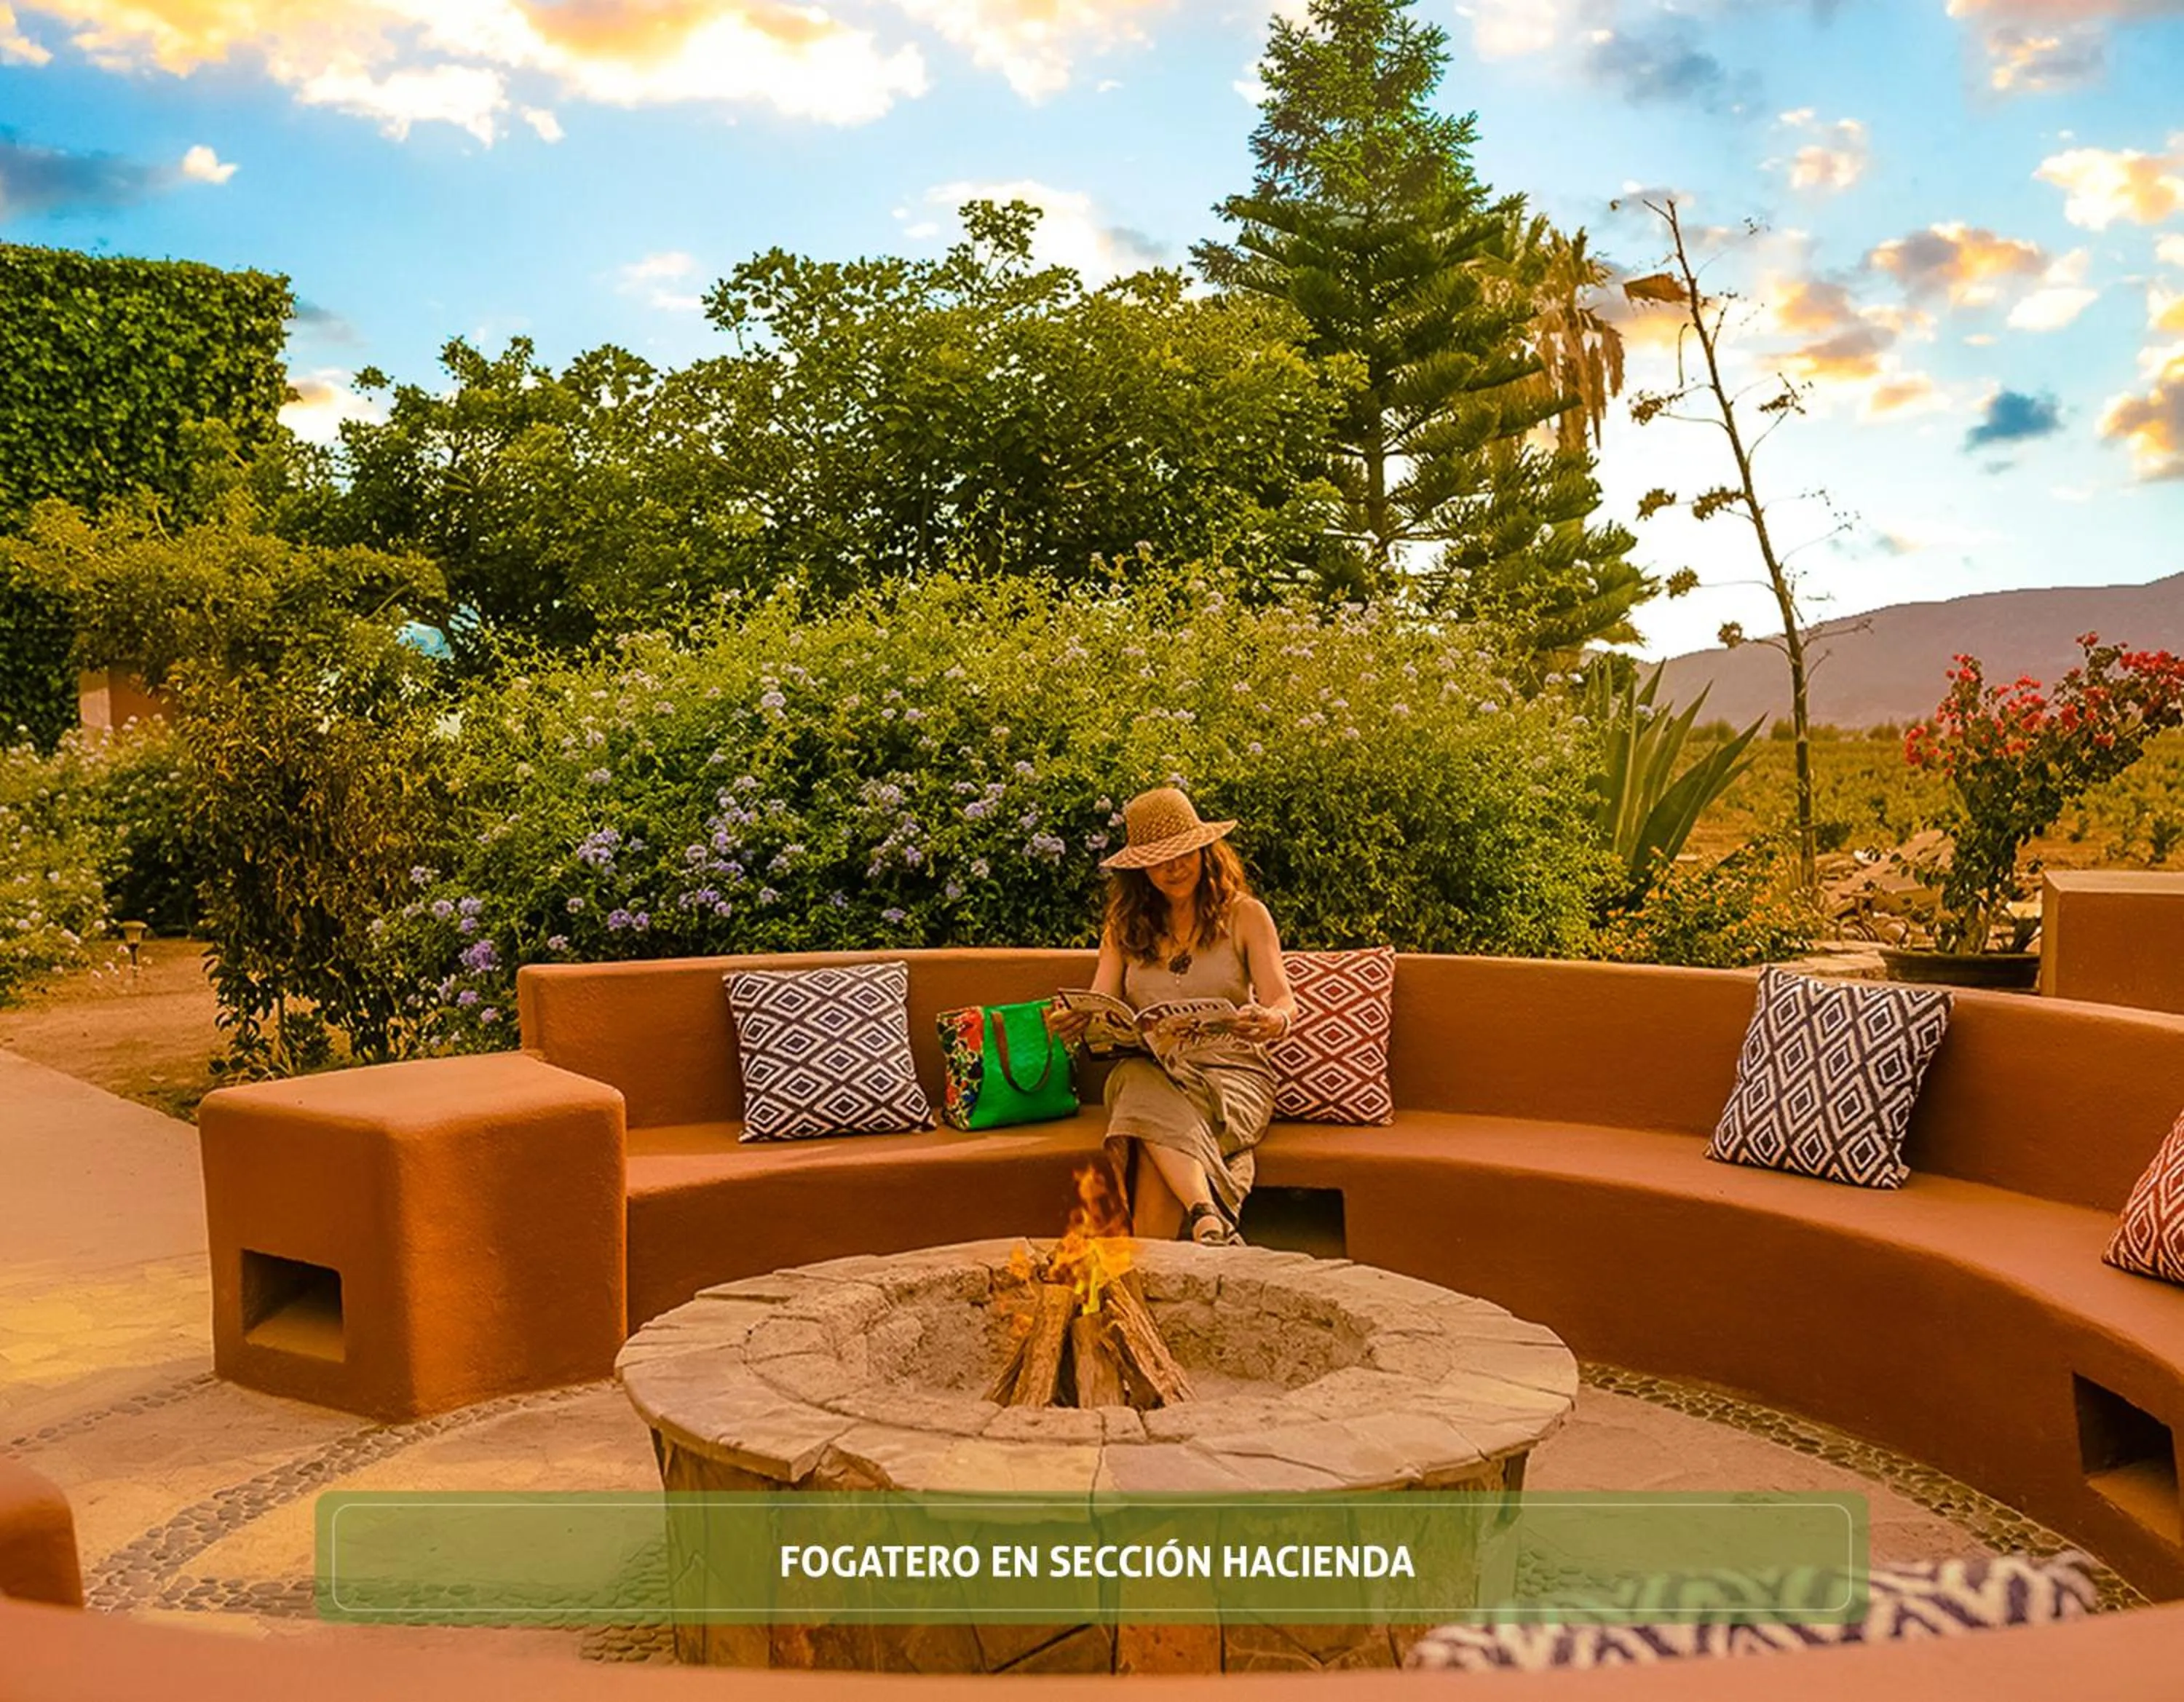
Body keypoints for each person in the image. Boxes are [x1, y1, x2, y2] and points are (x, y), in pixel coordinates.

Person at [1045, 788, 1299, 1246]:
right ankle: (1207, 1219)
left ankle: (1190, 1233)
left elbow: (1283, 1000)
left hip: (1231, 1076)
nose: (1174, 868)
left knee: (1149, 1135)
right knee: (1133, 1079)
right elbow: (1101, 1002)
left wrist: (1273, 1020)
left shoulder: (1246, 916)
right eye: (1159, 860)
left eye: (1184, 854)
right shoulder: (1123, 928)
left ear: (1205, 851)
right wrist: (1076, 1019)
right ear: (1140, 869)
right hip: (1156, 1072)